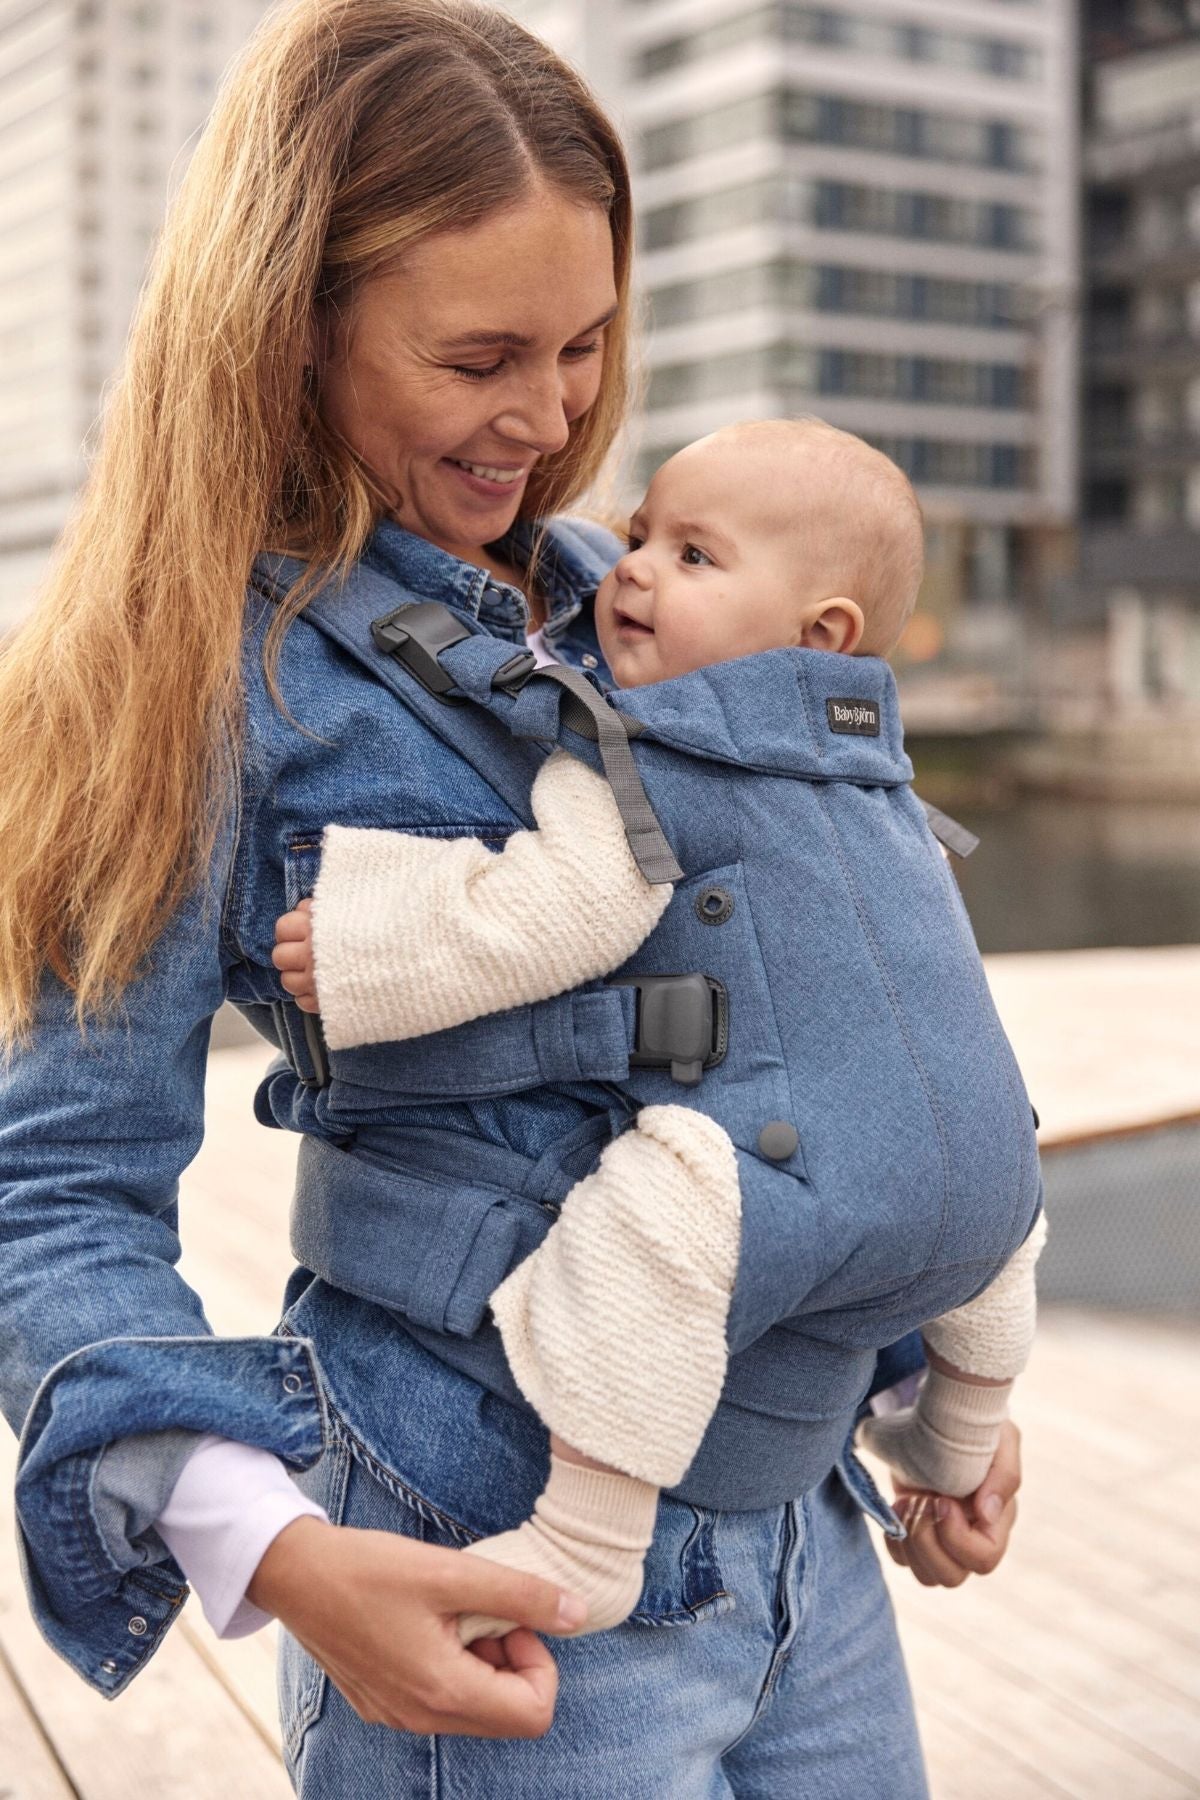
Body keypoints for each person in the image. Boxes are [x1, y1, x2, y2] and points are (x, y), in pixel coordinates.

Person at [0, 3, 1023, 1793]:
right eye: (480, 357)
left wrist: (917, 1379)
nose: (549, 421)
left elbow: (805, 1025)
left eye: (586, 347)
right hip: (479, 1569)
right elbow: (54, 1202)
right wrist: (285, 1561)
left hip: (814, 1561)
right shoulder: (174, 681)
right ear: (293, 332)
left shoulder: (648, 604)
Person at [270, 417, 1046, 1643]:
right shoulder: (883, 777)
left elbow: (548, 909)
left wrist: (368, 943)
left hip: (792, 1174)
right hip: (997, 1180)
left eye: (693, 557)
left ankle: (585, 1534)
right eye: (640, 535)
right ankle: (956, 1444)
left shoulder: (651, 748)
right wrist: (954, 1425)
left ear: (819, 632)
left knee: (645, 1221)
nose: (629, 570)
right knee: (987, 1211)